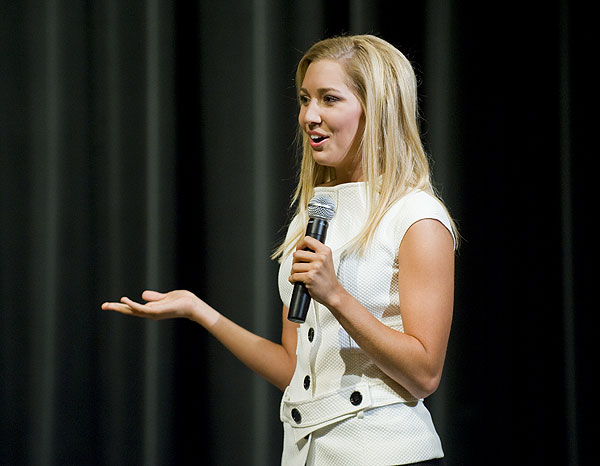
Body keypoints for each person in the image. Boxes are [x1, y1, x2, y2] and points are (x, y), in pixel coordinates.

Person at [102, 34, 456, 466]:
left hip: (385, 452)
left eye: (329, 99)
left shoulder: (417, 217)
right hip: (306, 452)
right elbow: (295, 371)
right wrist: (201, 312)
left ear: (376, 109)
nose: (309, 115)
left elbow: (424, 374)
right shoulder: (311, 217)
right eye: (305, 99)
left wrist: (337, 296)